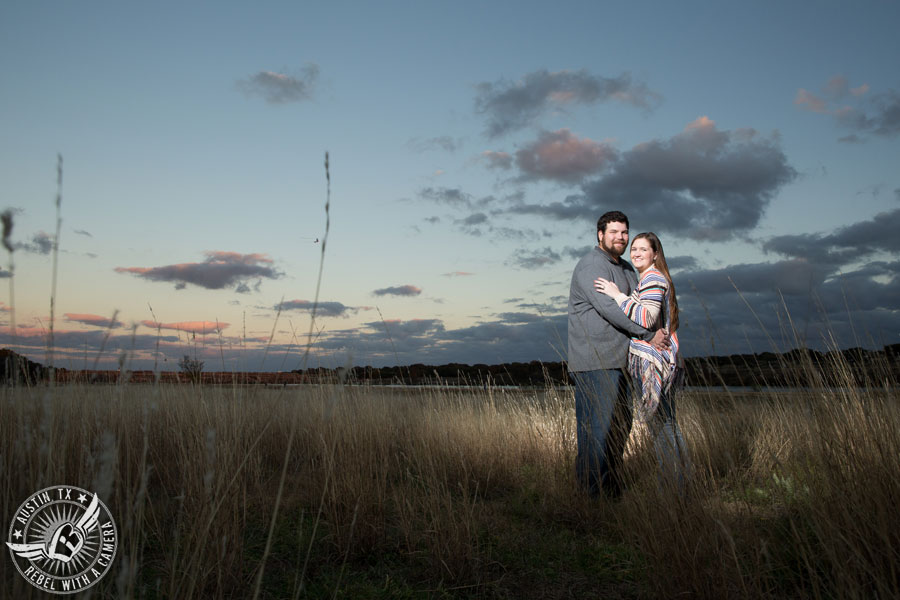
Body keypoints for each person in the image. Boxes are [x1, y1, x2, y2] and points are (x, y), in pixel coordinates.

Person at [567, 211, 668, 498]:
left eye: (624, 232)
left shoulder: (625, 268)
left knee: (619, 429)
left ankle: (610, 490)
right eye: (614, 232)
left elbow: (638, 307)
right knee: (595, 432)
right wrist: (649, 335)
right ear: (600, 234)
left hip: (623, 360)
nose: (620, 238)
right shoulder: (591, 266)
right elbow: (611, 310)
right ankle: (591, 496)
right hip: (595, 362)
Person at [594, 232, 690, 492]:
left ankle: (672, 487)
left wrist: (617, 295)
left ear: (655, 254)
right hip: (660, 359)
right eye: (633, 248)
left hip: (652, 362)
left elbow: (646, 318)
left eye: (643, 249)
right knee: (667, 422)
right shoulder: (652, 278)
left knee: (660, 426)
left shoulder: (653, 279)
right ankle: (680, 484)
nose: (635, 253)